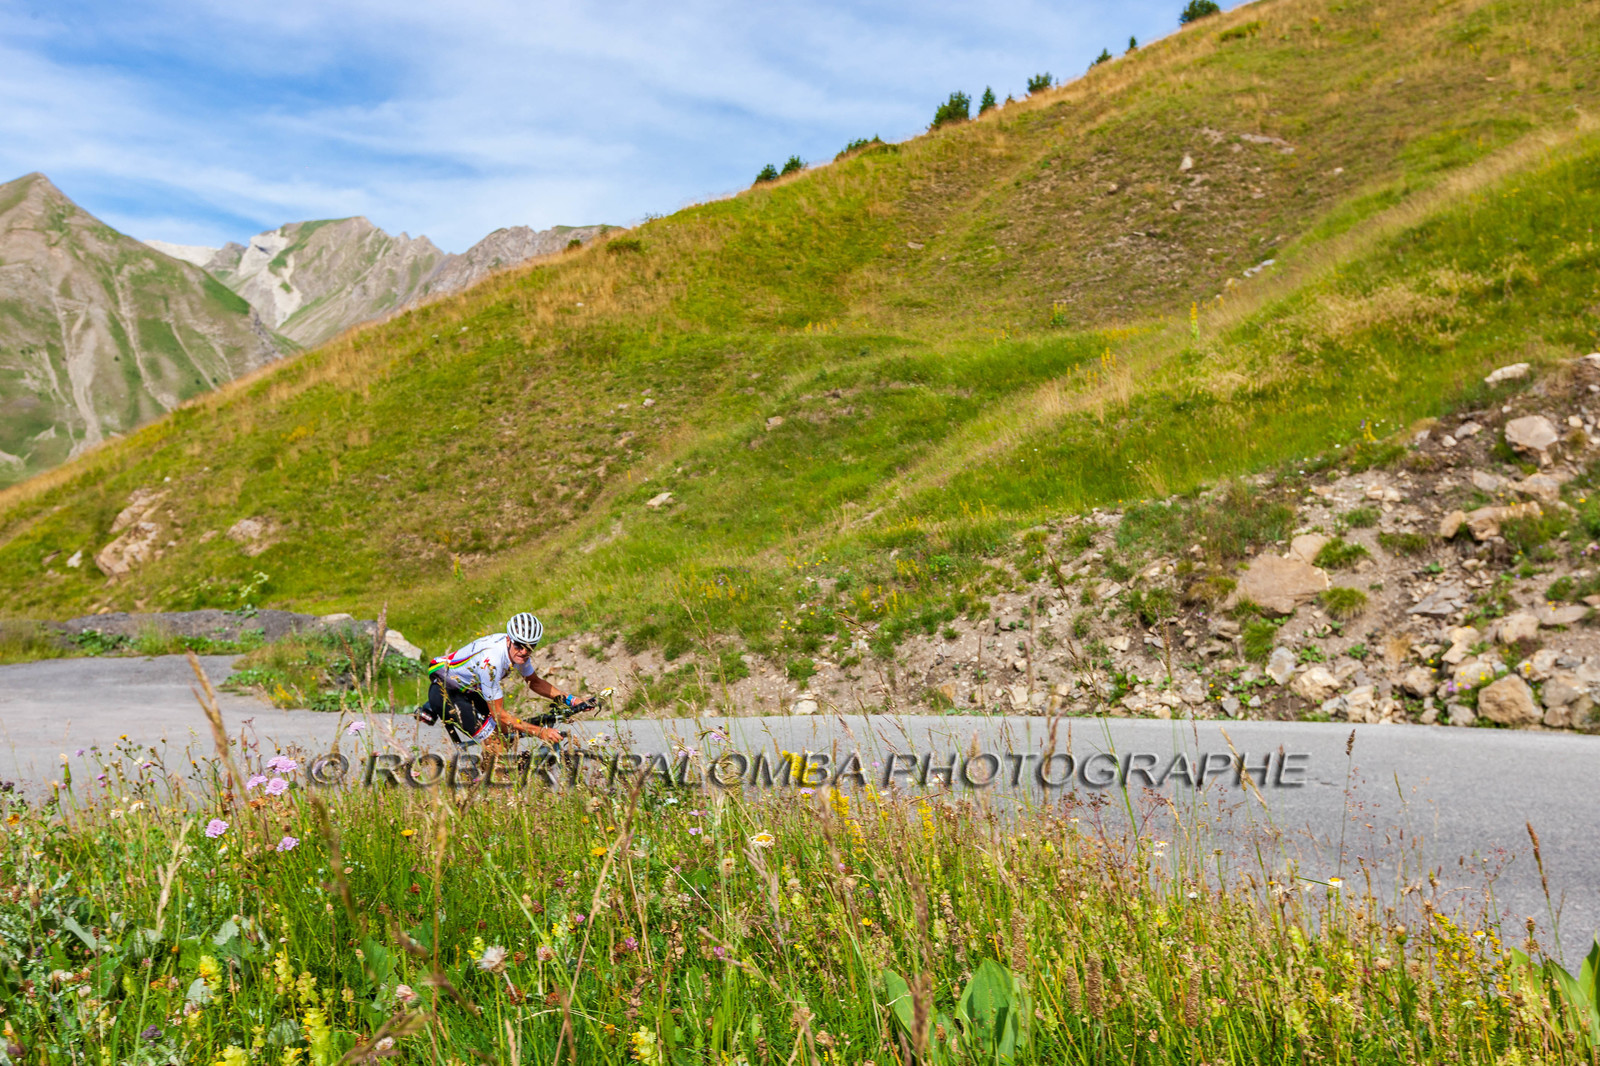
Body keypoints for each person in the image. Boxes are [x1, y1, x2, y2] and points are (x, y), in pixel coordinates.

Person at [416, 612, 579, 754]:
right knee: (497, 746)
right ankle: (492, 786)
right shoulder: (492, 661)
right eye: (519, 646)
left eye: (530, 647)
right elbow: (499, 714)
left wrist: (571, 700)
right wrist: (540, 732)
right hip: (446, 692)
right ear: (509, 640)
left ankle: (484, 776)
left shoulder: (517, 652)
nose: (524, 651)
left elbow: (534, 682)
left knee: (508, 735)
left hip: (466, 690)